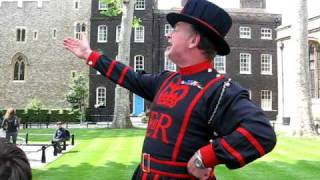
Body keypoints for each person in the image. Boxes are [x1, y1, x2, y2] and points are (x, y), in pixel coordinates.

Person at [63, 0, 277, 179]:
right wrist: (90, 55)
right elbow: (130, 77)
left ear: (193, 40)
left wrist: (207, 156)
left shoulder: (220, 89)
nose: (168, 35)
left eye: (175, 30)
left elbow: (261, 133)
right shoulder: (166, 80)